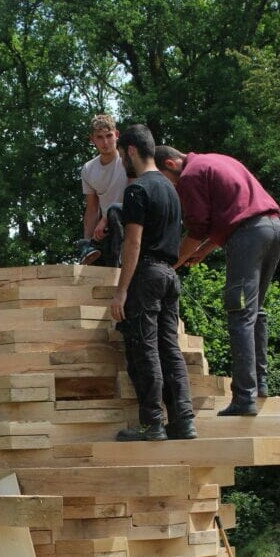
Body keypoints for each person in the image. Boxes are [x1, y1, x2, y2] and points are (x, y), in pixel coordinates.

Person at [154, 146, 280, 415]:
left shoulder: (191, 175)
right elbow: (230, 217)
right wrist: (202, 251)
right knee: (255, 311)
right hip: (273, 231)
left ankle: (244, 398)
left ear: (171, 163)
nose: (171, 186)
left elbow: (198, 227)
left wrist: (171, 263)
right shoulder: (216, 161)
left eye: (165, 178)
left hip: (249, 237)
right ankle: (260, 385)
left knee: (239, 314)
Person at [110, 124, 196, 441]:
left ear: (131, 150)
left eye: (121, 154)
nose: (121, 161)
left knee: (144, 347)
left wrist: (121, 291)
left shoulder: (137, 190)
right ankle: (183, 420)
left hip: (146, 274)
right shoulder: (171, 189)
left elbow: (132, 244)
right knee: (169, 348)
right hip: (171, 275)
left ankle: (152, 423)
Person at [79, 114, 128, 267]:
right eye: (99, 137)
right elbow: (92, 208)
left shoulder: (128, 160)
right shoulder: (88, 169)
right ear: (92, 139)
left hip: (132, 222)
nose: (105, 142)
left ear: (117, 135)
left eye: (109, 136)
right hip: (108, 231)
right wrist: (88, 242)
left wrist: (106, 218)